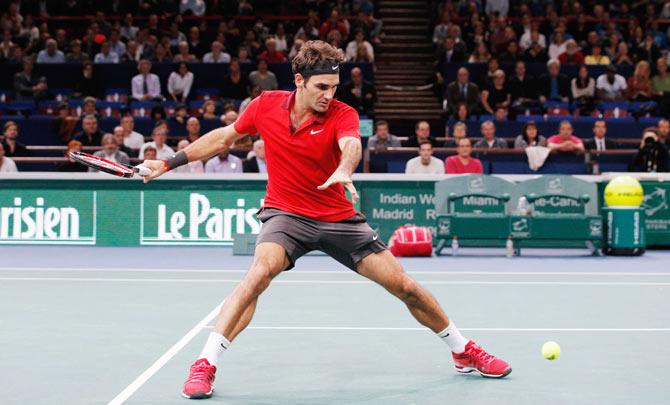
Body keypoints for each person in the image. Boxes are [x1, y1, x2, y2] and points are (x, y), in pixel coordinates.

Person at [140, 40, 511, 399]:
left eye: (334, 87)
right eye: (321, 87)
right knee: (258, 274)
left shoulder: (342, 114)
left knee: (404, 286)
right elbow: (224, 138)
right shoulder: (266, 105)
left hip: (337, 217)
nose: (329, 95)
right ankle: (205, 362)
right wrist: (168, 162)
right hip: (286, 213)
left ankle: (463, 350)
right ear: (298, 80)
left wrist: (345, 169)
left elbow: (351, 144)